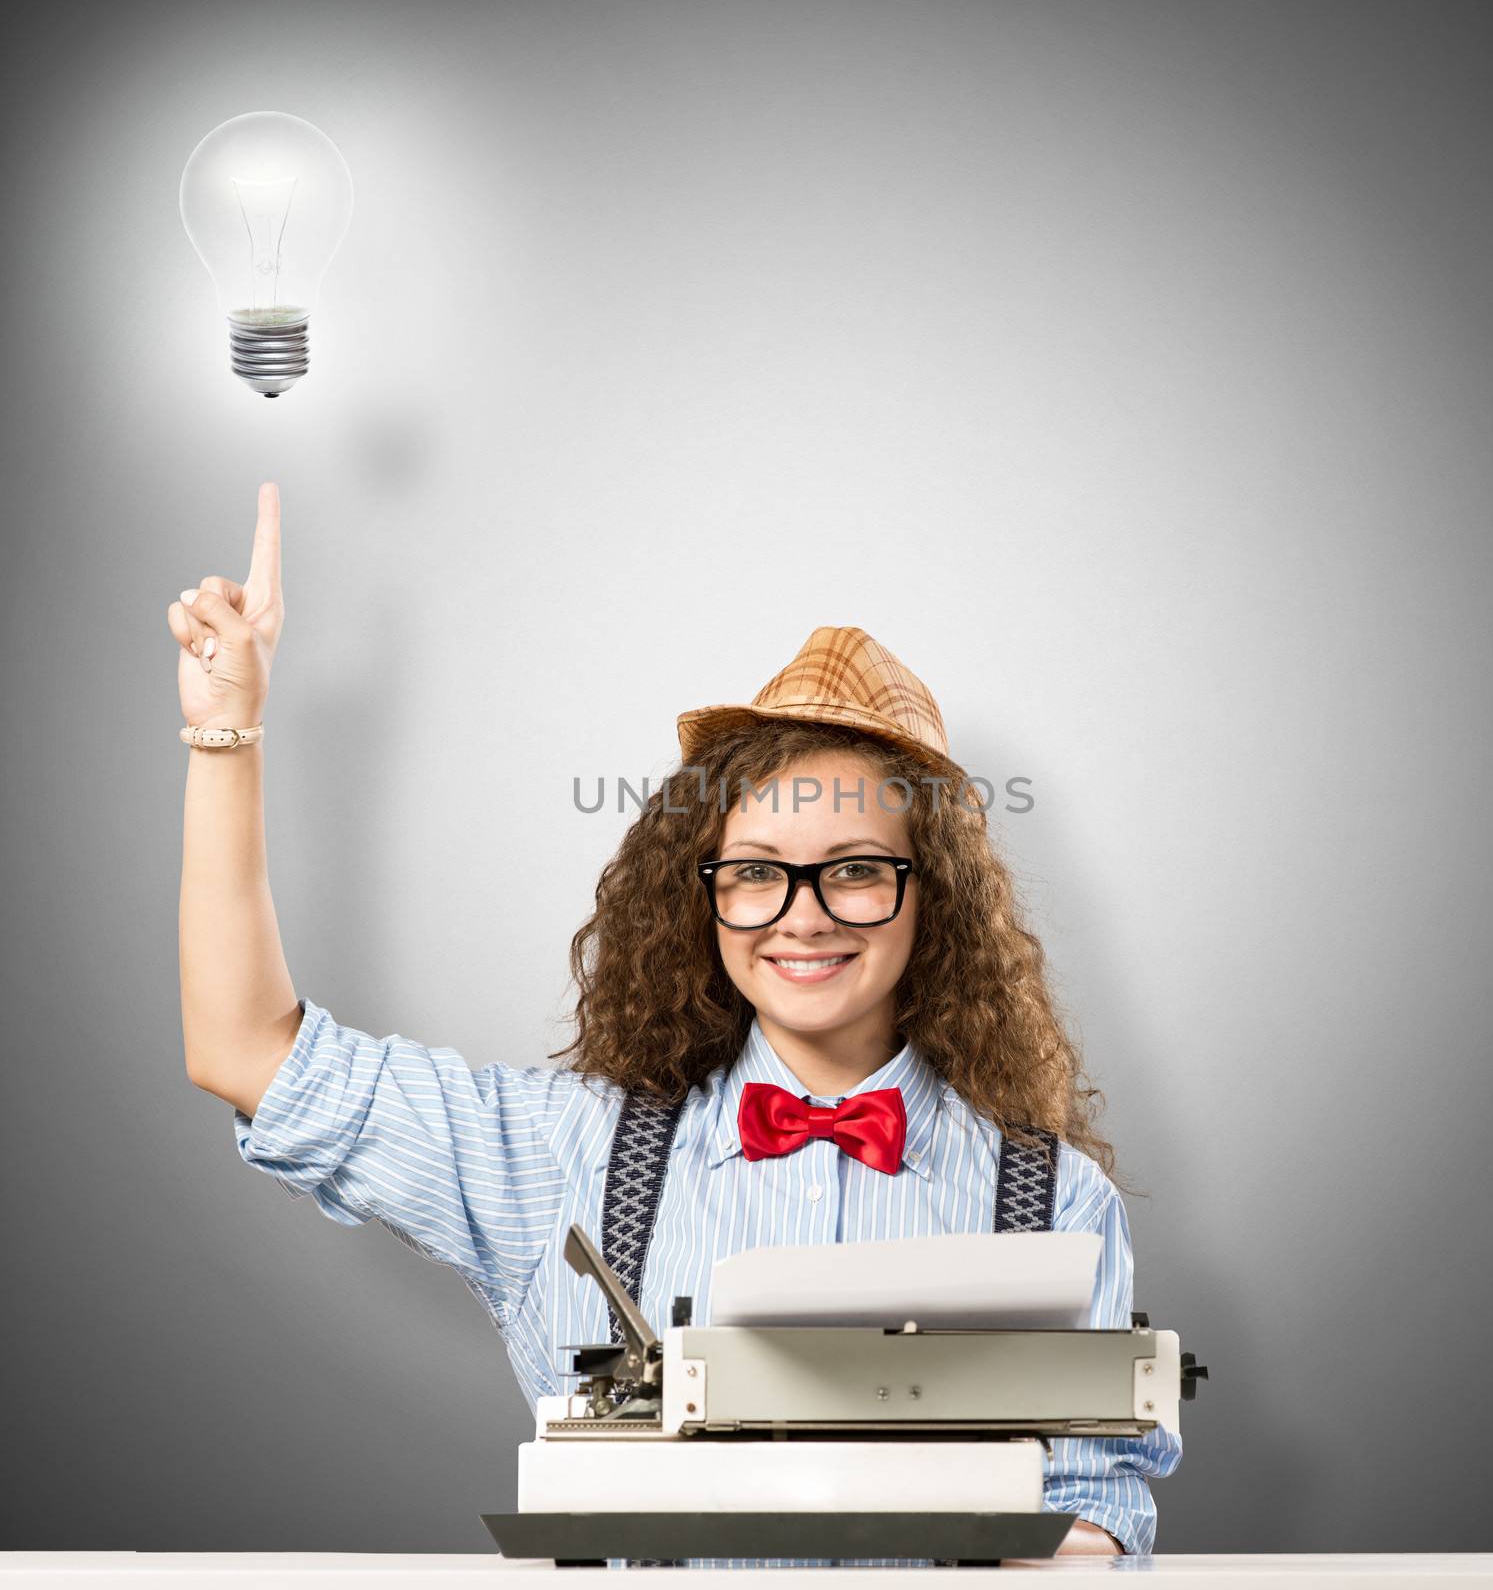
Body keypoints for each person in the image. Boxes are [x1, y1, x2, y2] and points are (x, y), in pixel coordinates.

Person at [171, 481, 1182, 1560]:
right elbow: (246, 1049)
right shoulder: (564, 1153)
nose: (802, 917)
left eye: (854, 871)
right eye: (755, 874)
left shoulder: (1057, 1204)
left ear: (930, 897)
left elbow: (1093, 1514)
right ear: (699, 895)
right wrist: (227, 736)